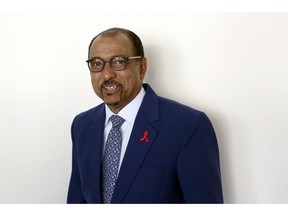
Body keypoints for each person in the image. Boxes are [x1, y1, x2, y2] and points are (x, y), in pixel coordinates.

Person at [67, 27, 223, 203]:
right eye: (97, 64)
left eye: (119, 62)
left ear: (141, 67)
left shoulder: (187, 126)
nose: (107, 74)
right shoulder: (82, 126)